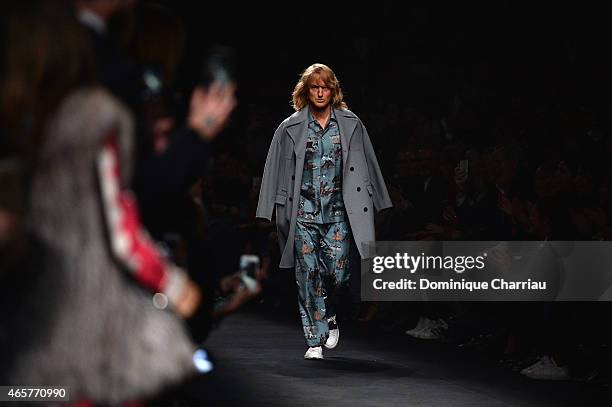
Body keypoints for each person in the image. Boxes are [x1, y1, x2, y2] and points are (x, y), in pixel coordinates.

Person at [256, 63, 392, 360]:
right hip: (302, 211)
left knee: (339, 274)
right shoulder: (290, 126)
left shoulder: (350, 123)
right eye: (314, 87)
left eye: (325, 87)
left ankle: (329, 314)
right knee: (307, 273)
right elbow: (274, 169)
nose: (320, 92)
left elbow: (367, 160)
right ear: (306, 90)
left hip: (340, 212)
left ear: (333, 90)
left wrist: (380, 200)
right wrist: (267, 210)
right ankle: (314, 338)